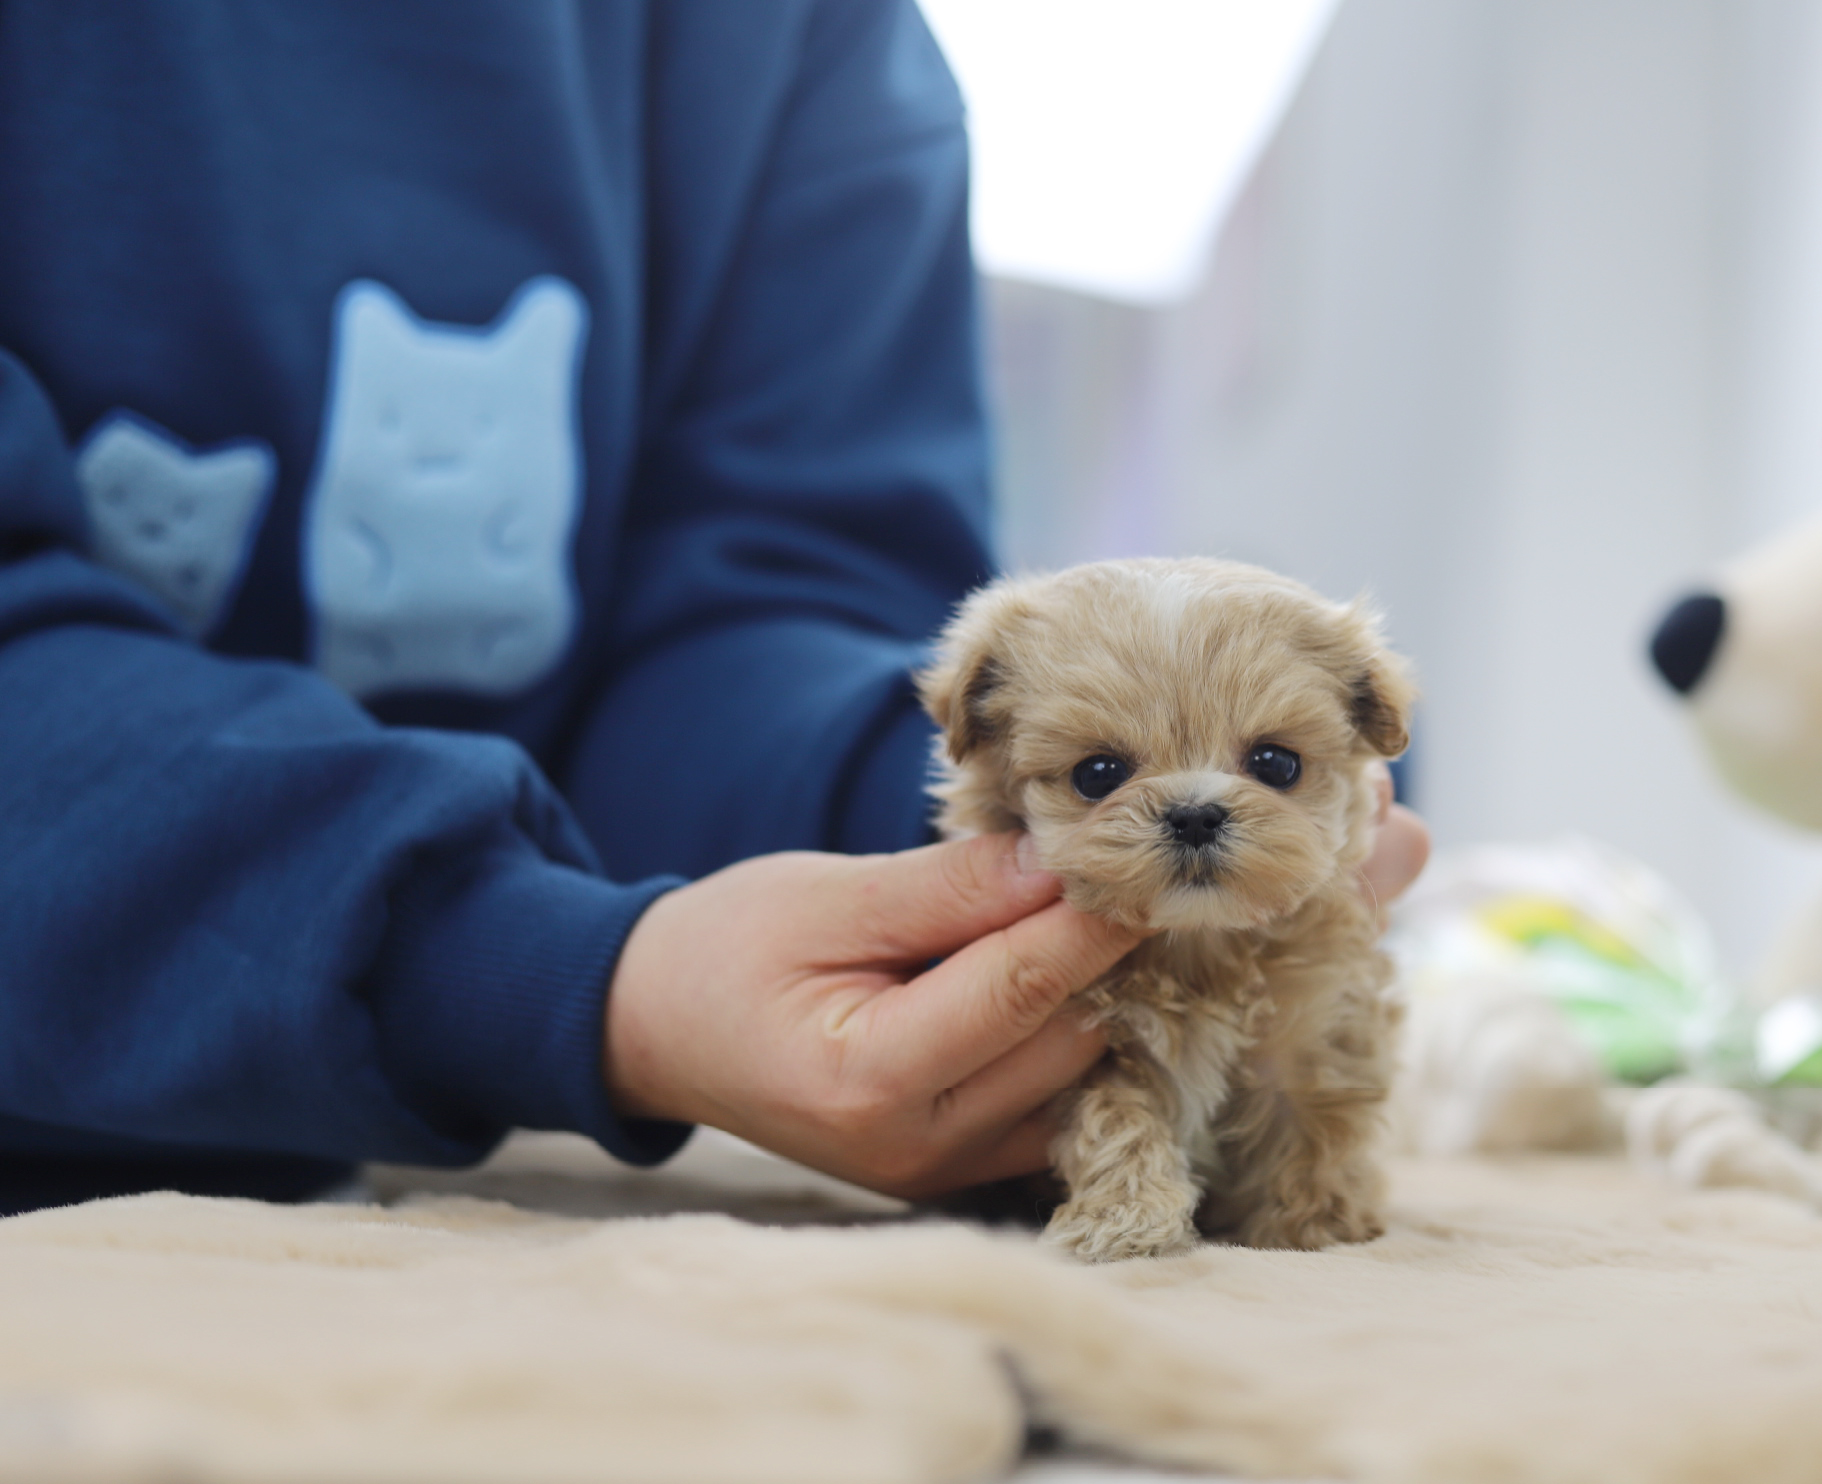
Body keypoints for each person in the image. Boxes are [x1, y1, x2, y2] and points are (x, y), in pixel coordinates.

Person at [0, 0, 1428, 1215]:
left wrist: (940, 854)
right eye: (1105, 771)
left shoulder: (805, 38)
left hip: (496, 1183)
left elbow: (762, 590)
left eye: (1272, 762)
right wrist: (542, 967)